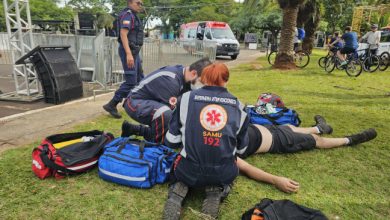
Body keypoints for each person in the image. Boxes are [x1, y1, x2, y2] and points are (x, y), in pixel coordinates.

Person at [162, 63, 250, 219]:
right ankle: (216, 191)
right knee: (227, 169)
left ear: (203, 79)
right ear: (226, 81)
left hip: (188, 170)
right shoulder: (240, 107)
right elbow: (242, 150)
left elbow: (171, 141)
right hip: (223, 172)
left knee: (178, 164)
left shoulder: (186, 99)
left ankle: (176, 193)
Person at [121, 58, 212, 143]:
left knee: (171, 116)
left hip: (151, 103)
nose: (202, 86)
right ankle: (157, 145)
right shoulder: (171, 80)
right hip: (134, 102)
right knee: (166, 114)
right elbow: (175, 116)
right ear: (193, 73)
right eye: (202, 82)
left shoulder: (185, 77)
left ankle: (133, 129)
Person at [238, 115, 377, 159]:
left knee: (289, 126)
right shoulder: (225, 153)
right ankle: (351, 140)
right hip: (277, 141)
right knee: (316, 140)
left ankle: (320, 128)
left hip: (265, 129)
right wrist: (275, 180)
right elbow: (245, 167)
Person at [103, 0, 145, 119]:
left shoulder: (133, 15)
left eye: (141, 3)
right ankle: (112, 104)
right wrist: (128, 54)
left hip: (134, 52)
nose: (140, 5)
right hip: (129, 52)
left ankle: (137, 104)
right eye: (138, 3)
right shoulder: (127, 15)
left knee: (140, 79)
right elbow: (123, 34)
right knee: (131, 81)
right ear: (130, 2)